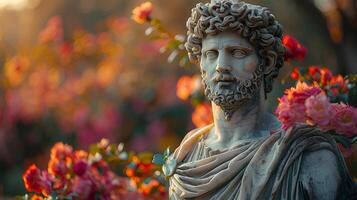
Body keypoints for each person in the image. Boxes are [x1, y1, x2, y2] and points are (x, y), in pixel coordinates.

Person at [164, 0, 356, 199]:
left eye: (237, 52)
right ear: (201, 62)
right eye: (211, 54)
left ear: (267, 62)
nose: (221, 65)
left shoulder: (307, 157)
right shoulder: (186, 155)